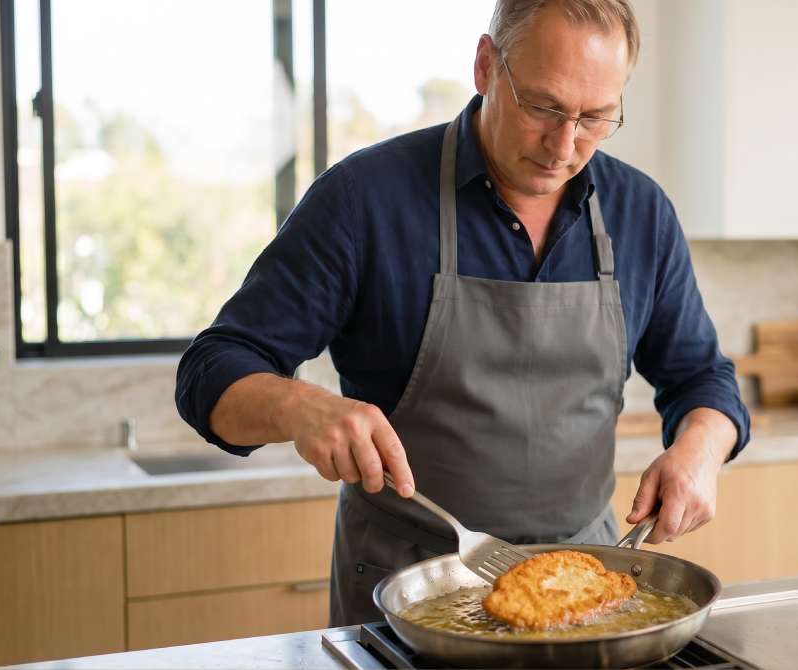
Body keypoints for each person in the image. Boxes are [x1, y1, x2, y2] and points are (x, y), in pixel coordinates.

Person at [175, 0, 750, 627]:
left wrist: (699, 450)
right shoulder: (365, 199)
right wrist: (296, 406)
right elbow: (209, 373)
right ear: (485, 65)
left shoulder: (642, 212)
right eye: (543, 107)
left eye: (595, 118)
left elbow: (703, 380)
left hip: (588, 592)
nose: (564, 146)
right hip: (405, 593)